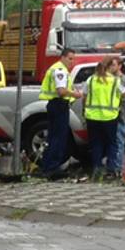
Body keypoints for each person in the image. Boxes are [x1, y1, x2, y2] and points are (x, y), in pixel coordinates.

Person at [38, 47, 81, 179]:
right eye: (70, 58)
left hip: (56, 105)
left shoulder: (57, 68)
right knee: (58, 137)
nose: (72, 62)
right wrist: (75, 94)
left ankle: (47, 166)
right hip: (59, 105)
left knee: (53, 137)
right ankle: (52, 168)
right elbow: (61, 91)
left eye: (73, 59)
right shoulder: (60, 70)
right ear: (62, 57)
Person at [83, 60, 122, 179]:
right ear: (109, 67)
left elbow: (84, 97)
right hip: (109, 117)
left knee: (96, 144)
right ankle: (111, 170)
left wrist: (84, 111)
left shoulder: (90, 80)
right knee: (111, 144)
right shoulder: (115, 80)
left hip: (92, 117)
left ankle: (97, 169)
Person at [109, 57, 125, 176]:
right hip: (113, 116)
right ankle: (112, 167)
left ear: (120, 66)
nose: (111, 67)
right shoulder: (111, 79)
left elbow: (124, 97)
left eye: (113, 65)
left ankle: (117, 168)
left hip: (120, 116)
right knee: (114, 142)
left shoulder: (122, 80)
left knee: (119, 143)